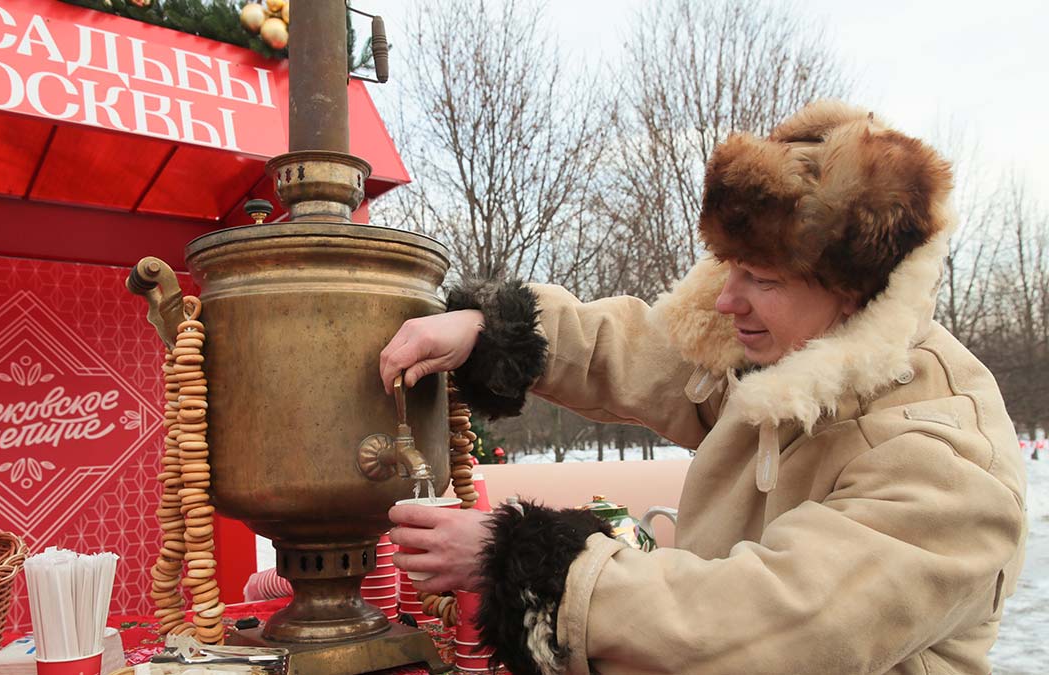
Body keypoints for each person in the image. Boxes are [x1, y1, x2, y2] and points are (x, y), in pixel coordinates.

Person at [379, 101, 1027, 675]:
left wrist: (538, 571)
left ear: (852, 291)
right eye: (730, 268)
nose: (727, 299)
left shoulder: (945, 457)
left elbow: (772, 628)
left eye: (762, 278)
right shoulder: (784, 362)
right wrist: (490, 330)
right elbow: (645, 353)